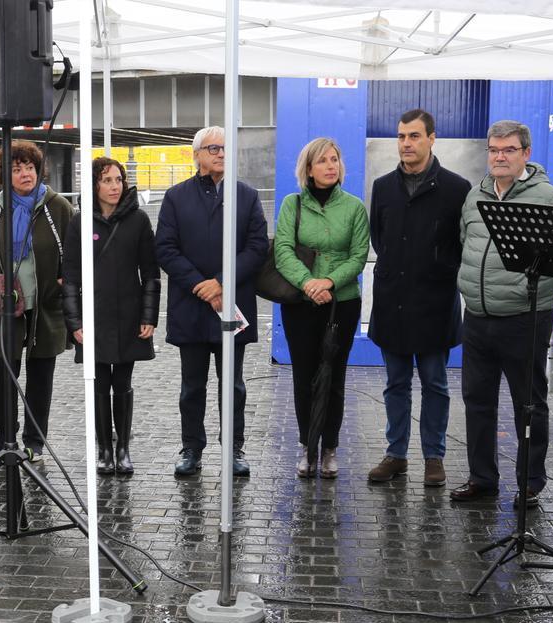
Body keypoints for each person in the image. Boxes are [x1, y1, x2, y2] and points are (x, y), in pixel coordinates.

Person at [450, 120, 553, 509]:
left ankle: (530, 482)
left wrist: (538, 295)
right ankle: (482, 478)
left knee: (529, 403)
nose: (499, 157)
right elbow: (465, 245)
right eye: (493, 150)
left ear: (526, 153)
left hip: (526, 317)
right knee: (477, 400)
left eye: (508, 150)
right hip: (476, 316)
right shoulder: (475, 197)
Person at [365, 109, 472, 488]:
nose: (406, 143)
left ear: (431, 138)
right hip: (393, 300)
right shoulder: (382, 187)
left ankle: (434, 457)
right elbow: (380, 239)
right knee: (395, 384)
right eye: (401, 137)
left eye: (413, 136)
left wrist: (436, 269)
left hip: (435, 303)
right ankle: (396, 454)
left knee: (435, 384)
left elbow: (463, 246)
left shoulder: (457, 189)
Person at [155, 126, 268, 477]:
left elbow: (257, 246)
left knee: (232, 384)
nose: (221, 154)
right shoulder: (175, 197)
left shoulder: (246, 196)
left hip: (230, 305)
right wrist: (200, 285)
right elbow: (165, 249)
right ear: (197, 154)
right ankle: (191, 447)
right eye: (214, 148)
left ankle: (234, 448)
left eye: (225, 148)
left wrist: (221, 282)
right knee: (192, 385)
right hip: (191, 306)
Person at [0, 140, 72, 462]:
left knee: (41, 373)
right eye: (16, 169)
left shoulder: (58, 208)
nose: (25, 174)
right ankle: (4, 436)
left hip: (45, 307)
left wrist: (62, 280)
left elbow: (77, 250)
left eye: (30, 167)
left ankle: (34, 440)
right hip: (5, 305)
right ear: (4, 174)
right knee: (2, 371)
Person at [273, 138, 368, 479]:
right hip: (301, 303)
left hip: (341, 304)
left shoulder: (354, 207)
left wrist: (327, 281)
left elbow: (359, 256)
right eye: (323, 161)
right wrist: (308, 283)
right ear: (308, 169)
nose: (331, 166)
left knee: (334, 376)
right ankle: (306, 445)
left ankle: (329, 448)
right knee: (304, 376)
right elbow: (282, 249)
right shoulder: (291, 203)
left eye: (335, 160)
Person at [63, 157, 160, 474]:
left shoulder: (139, 220)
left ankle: (123, 449)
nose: (115, 186)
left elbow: (151, 274)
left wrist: (149, 316)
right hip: (94, 315)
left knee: (123, 381)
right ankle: (104, 449)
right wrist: (75, 323)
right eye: (107, 180)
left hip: (129, 314)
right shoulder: (80, 222)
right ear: (93, 184)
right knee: (98, 382)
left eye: (118, 179)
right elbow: (70, 277)